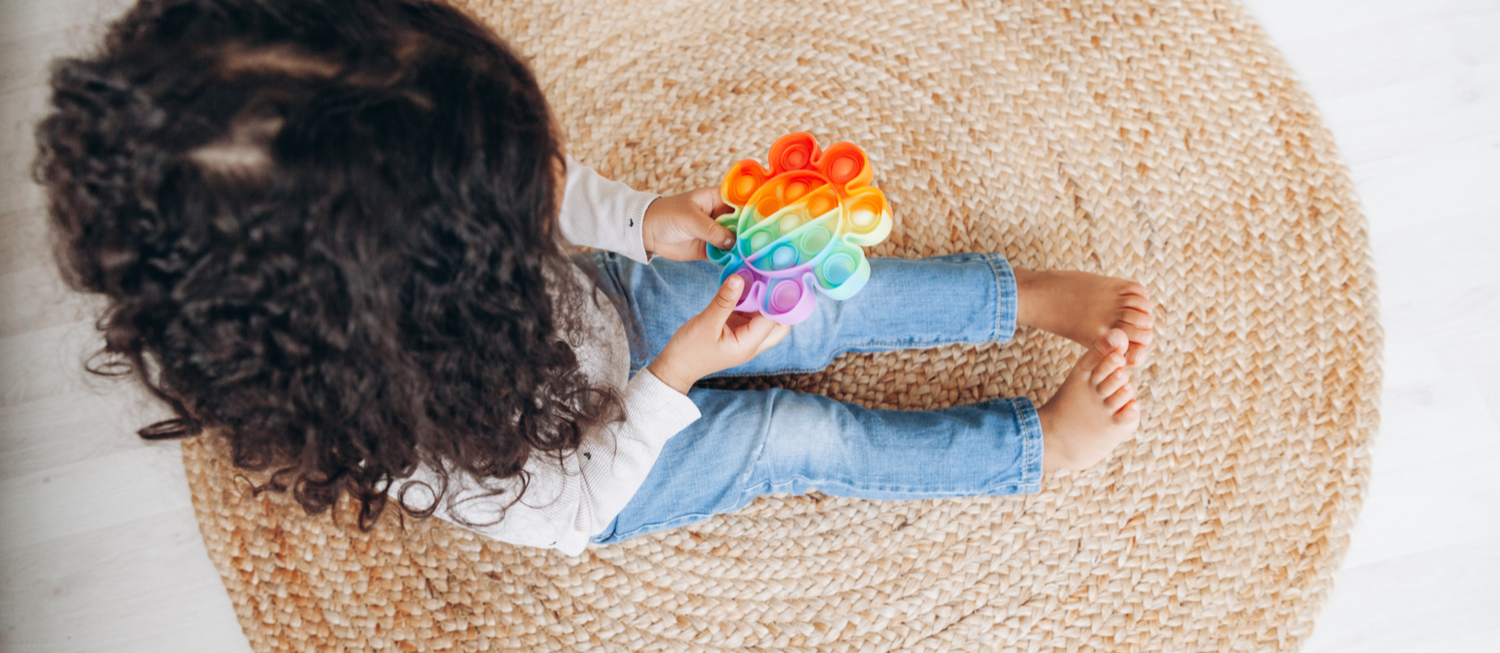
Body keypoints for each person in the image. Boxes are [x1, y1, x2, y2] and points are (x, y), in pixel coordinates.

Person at [33, 0, 1153, 557]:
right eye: (528, 185)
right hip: (599, 463)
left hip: (602, 318)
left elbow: (539, 194)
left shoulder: (404, 226)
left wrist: (634, 216)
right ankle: (1028, 450)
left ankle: (1022, 299)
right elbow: (573, 511)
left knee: (809, 291)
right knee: (794, 441)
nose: (557, 175)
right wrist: (674, 377)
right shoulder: (408, 435)